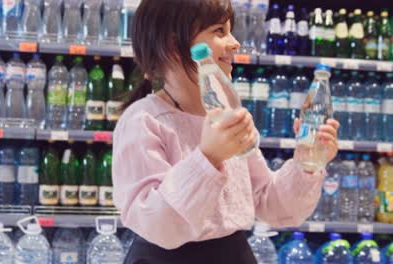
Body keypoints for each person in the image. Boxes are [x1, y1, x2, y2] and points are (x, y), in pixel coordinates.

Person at [112, 0, 340, 263]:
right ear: (174, 45)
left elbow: (269, 204)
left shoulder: (230, 114)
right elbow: (156, 224)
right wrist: (207, 158)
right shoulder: (143, 120)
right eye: (219, 31)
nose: (235, 43)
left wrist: (307, 162)